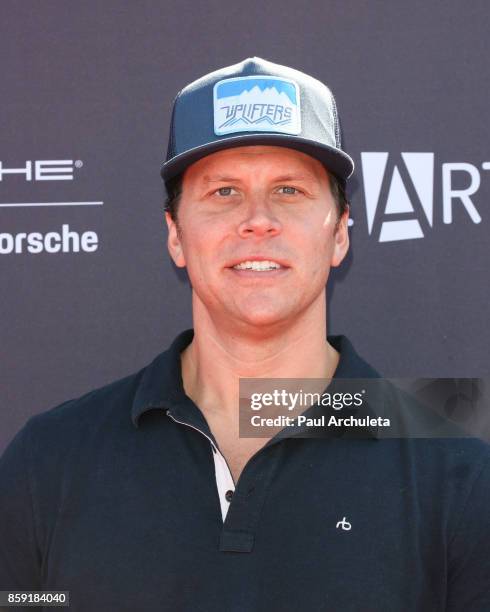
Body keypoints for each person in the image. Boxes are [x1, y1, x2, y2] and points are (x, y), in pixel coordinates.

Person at [0, 57, 489, 611]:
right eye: (224, 192)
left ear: (340, 235)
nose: (258, 219)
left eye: (289, 191)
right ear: (176, 236)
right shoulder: (49, 463)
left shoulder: (458, 475)